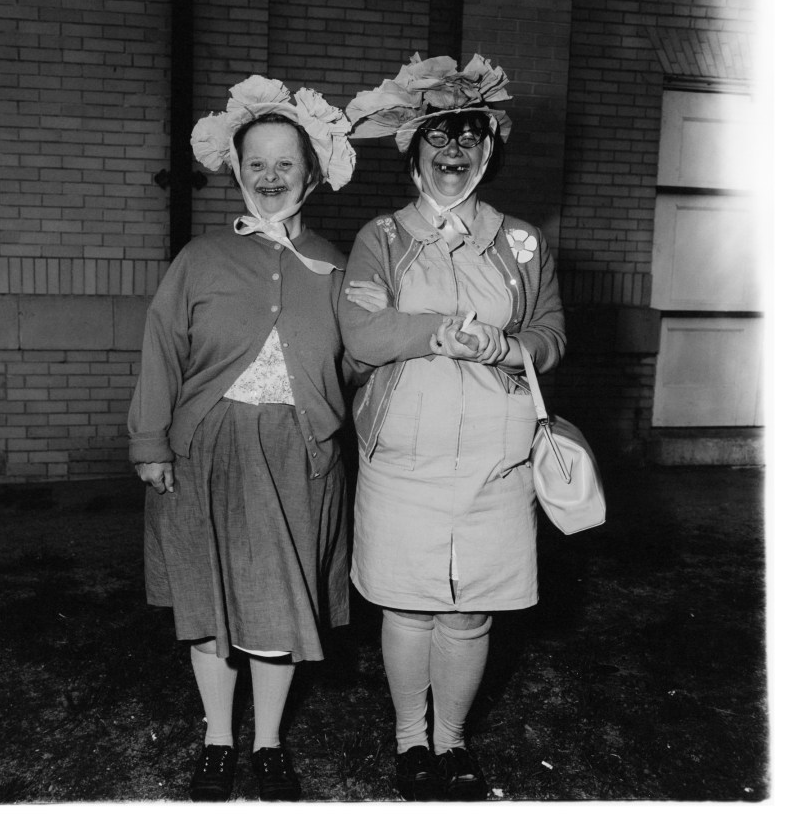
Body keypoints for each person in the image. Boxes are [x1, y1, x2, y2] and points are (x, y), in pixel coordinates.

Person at [128, 75, 377, 802]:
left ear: (312, 175)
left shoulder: (336, 265)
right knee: (209, 604)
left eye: (285, 165)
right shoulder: (199, 259)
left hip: (299, 457)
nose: (271, 178)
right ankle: (216, 737)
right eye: (257, 165)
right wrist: (151, 444)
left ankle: (267, 742)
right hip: (206, 449)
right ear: (237, 171)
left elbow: (359, 362)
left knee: (276, 608)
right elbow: (160, 351)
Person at [339, 54, 566, 801]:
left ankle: (453, 741)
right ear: (414, 148)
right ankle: (410, 740)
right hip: (403, 459)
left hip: (496, 467)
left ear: (488, 149)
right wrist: (439, 332)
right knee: (408, 605)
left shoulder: (523, 243)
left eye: (470, 134)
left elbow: (552, 334)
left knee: (469, 612)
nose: (454, 148)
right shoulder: (381, 237)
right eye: (438, 133)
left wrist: (510, 345)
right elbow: (364, 335)